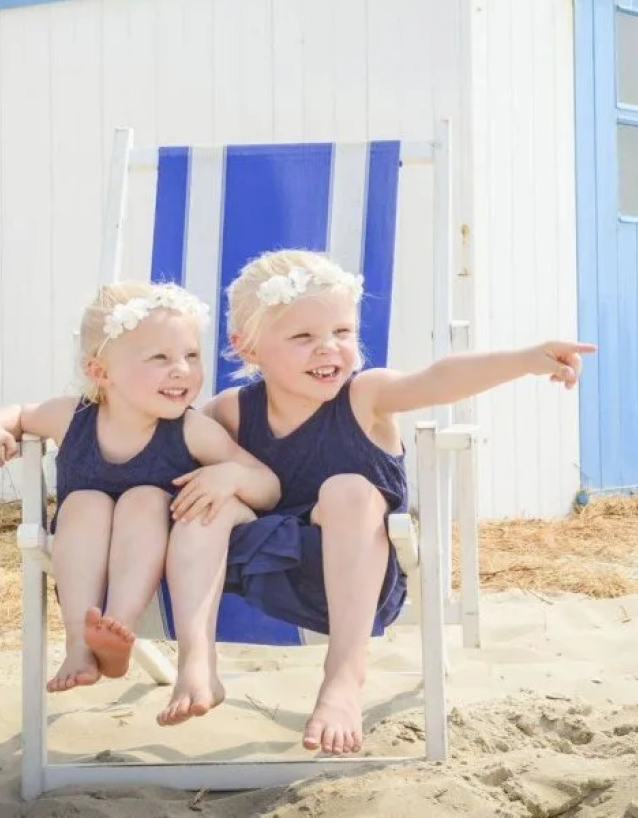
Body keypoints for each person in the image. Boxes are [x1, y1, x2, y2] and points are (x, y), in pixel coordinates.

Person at [203, 249, 594, 755]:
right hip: (262, 577)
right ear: (248, 347)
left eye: (342, 332)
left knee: (347, 490)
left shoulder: (365, 396)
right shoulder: (230, 413)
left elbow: (437, 380)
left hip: (360, 581)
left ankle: (344, 676)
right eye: (303, 337)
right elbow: (161, 447)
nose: (328, 349)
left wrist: (524, 360)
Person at [0, 281, 278, 726]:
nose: (182, 370)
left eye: (191, 355)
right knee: (85, 502)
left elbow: (268, 486)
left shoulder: (191, 431)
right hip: (85, 560)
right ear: (100, 371)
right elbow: (18, 414)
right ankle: (80, 643)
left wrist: (231, 476)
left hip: (152, 559)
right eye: (160, 358)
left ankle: (118, 628)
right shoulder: (71, 418)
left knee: (144, 499)